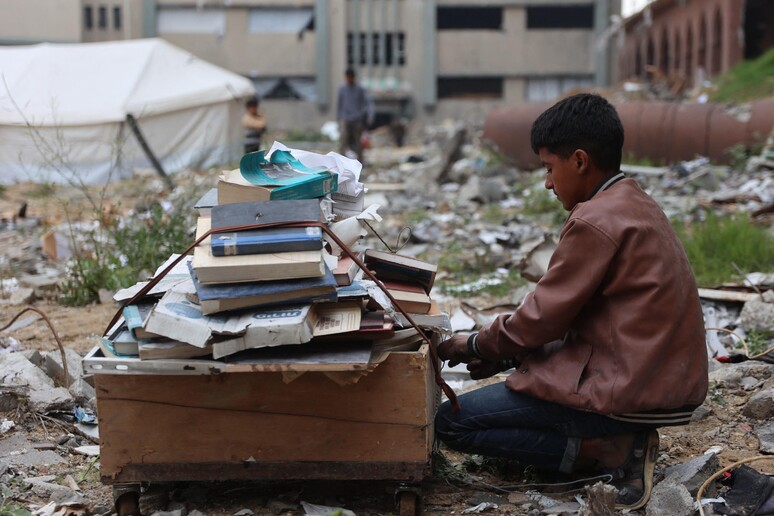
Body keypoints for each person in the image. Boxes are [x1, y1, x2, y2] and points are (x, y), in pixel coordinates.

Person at [435, 93, 708, 510]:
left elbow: (540, 320)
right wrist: (508, 356)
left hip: (627, 390)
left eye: (549, 168)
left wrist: (472, 344)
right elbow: (573, 318)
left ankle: (605, 451)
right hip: (654, 377)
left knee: (451, 423)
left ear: (579, 161)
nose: (547, 182)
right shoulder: (633, 201)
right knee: (506, 386)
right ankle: (608, 441)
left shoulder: (593, 220)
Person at [337, 68, 374, 164]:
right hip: (345, 119)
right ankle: (340, 162)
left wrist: (368, 115)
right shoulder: (342, 89)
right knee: (343, 141)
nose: (349, 79)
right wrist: (338, 119)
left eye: (351, 77)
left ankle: (360, 162)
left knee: (358, 142)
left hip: (357, 119)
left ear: (353, 77)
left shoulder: (359, 89)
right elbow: (339, 104)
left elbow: (367, 102)